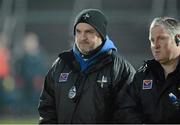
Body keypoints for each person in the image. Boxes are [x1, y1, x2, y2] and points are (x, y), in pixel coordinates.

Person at [38, 8, 136, 124]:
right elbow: (47, 109)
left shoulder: (120, 69)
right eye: (78, 32)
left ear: (101, 34)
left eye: (89, 32)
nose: (82, 37)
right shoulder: (61, 64)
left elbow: (128, 115)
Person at [120, 17, 180, 123]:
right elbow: (128, 110)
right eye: (152, 40)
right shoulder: (143, 75)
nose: (155, 45)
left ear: (178, 39)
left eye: (161, 38)